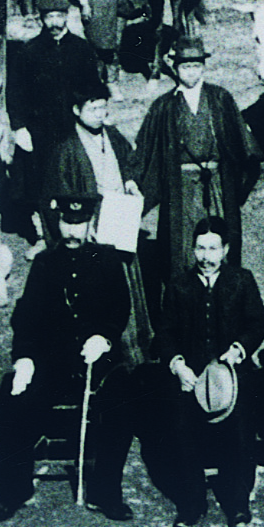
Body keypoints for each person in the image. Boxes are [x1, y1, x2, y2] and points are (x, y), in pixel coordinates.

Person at [0, 196, 137, 523]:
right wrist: (24, 358)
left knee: (119, 400)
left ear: (90, 224)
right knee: (16, 399)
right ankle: (13, 492)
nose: (72, 231)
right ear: (58, 223)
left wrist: (104, 337)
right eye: (67, 223)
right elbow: (26, 317)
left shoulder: (107, 259)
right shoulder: (45, 263)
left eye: (79, 224)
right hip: (53, 361)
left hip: (97, 359)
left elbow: (120, 308)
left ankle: (106, 492)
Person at [154, 216, 264, 527]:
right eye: (200, 249)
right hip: (191, 375)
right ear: (193, 250)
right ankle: (192, 503)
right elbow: (164, 332)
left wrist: (238, 349)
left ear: (225, 250)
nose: (206, 257)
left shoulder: (242, 280)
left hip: (232, 371)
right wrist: (178, 365)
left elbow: (257, 323)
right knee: (180, 423)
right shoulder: (179, 285)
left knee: (240, 424)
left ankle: (238, 502)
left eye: (213, 249)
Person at [40, 72, 153, 358]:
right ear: (76, 110)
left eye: (103, 107)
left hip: (118, 219)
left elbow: (130, 163)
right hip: (89, 228)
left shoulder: (112, 135)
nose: (100, 114)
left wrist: (130, 182)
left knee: (127, 280)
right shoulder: (66, 150)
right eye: (93, 109)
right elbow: (56, 199)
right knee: (97, 287)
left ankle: (135, 349)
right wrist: (77, 227)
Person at [132, 37, 260, 287]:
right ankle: (187, 292)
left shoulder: (220, 98)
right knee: (183, 244)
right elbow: (145, 146)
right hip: (181, 188)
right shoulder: (164, 105)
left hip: (216, 185)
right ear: (175, 68)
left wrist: (244, 176)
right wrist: (133, 178)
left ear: (203, 67)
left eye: (196, 66)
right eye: (185, 66)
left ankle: (223, 289)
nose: (191, 72)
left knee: (220, 236)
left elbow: (242, 144)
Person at [0, 0, 99, 244]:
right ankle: (44, 238)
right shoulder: (29, 51)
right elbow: (15, 92)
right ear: (41, 19)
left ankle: (79, 233)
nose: (54, 22)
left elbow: (93, 87)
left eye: (59, 16)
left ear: (67, 16)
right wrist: (19, 128)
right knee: (39, 184)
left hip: (73, 128)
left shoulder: (82, 49)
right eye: (49, 17)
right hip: (39, 131)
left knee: (76, 180)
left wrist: (95, 115)